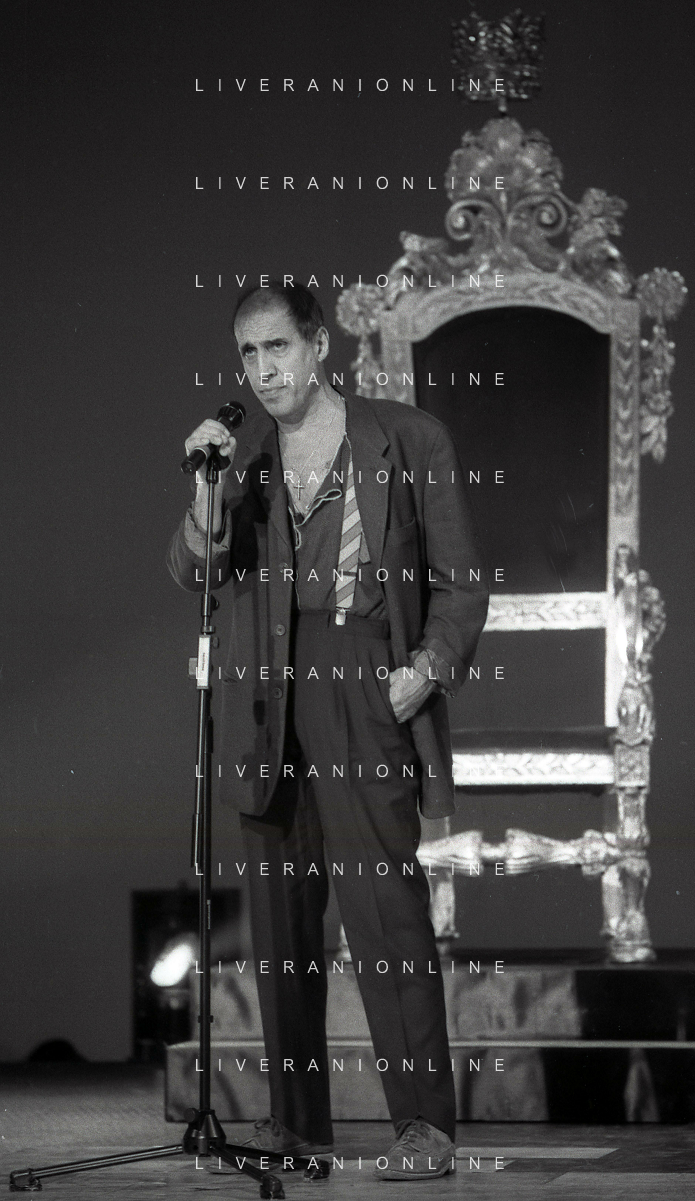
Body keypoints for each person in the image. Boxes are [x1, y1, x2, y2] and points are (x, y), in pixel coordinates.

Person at [167, 280, 488, 1180]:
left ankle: (424, 1126)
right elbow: (190, 569)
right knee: (279, 921)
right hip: (266, 695)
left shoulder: (407, 439)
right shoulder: (245, 464)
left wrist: (424, 668)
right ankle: (296, 1121)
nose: (263, 369)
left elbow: (462, 582)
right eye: (248, 354)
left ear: (318, 345)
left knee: (385, 910)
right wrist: (207, 493)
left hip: (363, 684)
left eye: (277, 347)